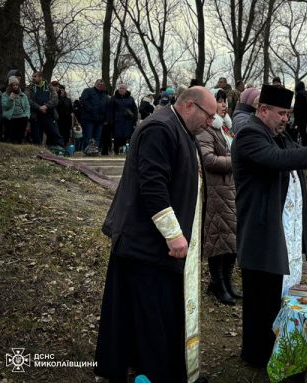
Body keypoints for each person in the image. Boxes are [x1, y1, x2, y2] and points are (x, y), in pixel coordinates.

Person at [95, 86, 217, 383]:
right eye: (209, 115)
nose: (211, 122)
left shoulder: (180, 128)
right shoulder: (160, 128)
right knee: (150, 316)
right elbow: (152, 185)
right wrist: (174, 234)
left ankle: (162, 368)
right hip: (145, 245)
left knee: (160, 313)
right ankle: (154, 372)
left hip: (155, 246)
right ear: (189, 105)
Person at [231, 84, 307, 368]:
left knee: (279, 296)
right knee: (262, 299)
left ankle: (278, 348)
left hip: (283, 232)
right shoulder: (249, 134)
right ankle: (258, 356)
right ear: (263, 110)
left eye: (288, 114)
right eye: (281, 113)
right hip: (261, 233)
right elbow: (276, 160)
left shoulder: (277, 136)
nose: (286, 119)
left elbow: (297, 153)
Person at [196, 88, 240, 306]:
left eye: (225, 101)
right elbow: (209, 160)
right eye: (219, 101)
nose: (224, 105)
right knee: (218, 239)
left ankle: (228, 282)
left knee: (232, 238)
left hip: (231, 190)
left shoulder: (226, 129)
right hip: (217, 192)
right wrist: (236, 161)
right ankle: (217, 283)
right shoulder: (207, 130)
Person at [25, 71, 63, 147]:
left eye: (35, 76)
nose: (33, 78)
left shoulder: (49, 87)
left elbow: (55, 99)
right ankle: (38, 155)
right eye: (33, 76)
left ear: (40, 77)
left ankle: (59, 151)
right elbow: (27, 100)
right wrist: (39, 107)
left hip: (49, 115)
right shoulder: (29, 88)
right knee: (36, 138)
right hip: (36, 116)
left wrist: (46, 106)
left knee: (55, 134)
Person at [107, 83, 138, 154]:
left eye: (123, 88)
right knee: (117, 137)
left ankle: (128, 152)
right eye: (120, 88)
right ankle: (116, 151)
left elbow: (135, 110)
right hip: (117, 121)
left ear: (126, 90)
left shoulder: (131, 98)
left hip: (128, 121)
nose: (121, 89)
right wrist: (111, 120)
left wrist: (135, 119)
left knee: (128, 136)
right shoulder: (114, 98)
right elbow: (110, 110)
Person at [79, 79, 108, 149]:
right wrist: (91, 109)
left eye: (101, 85)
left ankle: (95, 150)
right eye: (98, 84)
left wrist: (106, 118)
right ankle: (87, 150)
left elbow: (106, 107)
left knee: (98, 137)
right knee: (88, 136)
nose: (100, 85)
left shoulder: (104, 95)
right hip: (89, 118)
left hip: (100, 120)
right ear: (95, 84)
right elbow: (83, 100)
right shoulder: (87, 91)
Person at [1, 76, 30, 144]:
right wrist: (10, 99)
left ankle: (20, 147)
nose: (15, 86)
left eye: (16, 85)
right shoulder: (5, 95)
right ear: (10, 86)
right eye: (13, 85)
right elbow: (5, 107)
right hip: (10, 118)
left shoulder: (23, 95)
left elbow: (27, 107)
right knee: (11, 138)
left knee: (20, 137)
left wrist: (27, 116)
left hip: (22, 117)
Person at [293, 81, 307, 146]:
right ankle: (306, 144)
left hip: (300, 115)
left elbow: (296, 107)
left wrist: (295, 118)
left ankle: (305, 144)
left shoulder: (299, 94)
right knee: (303, 130)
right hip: (306, 115)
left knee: (301, 131)